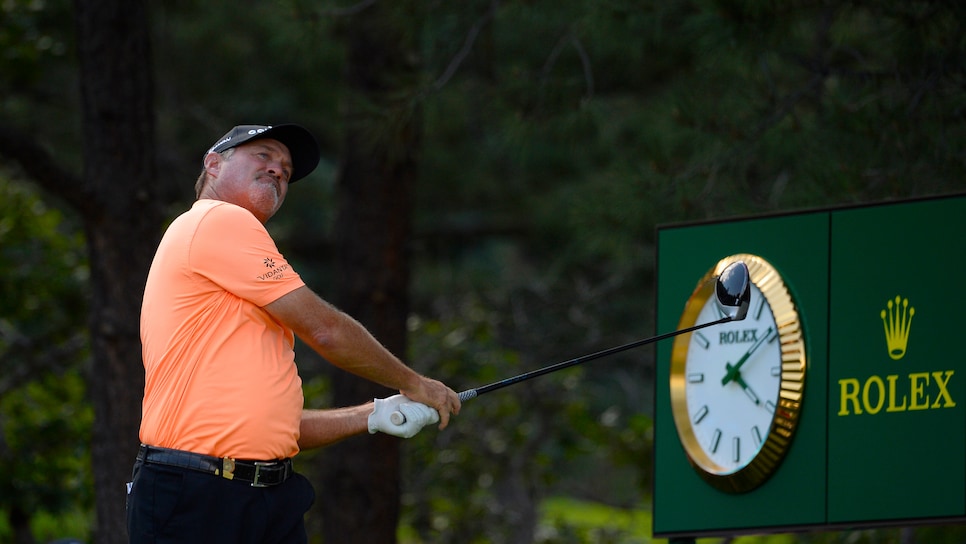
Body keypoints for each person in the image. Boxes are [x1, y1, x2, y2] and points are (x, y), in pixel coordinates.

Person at [127, 124, 461, 543]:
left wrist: (375, 414)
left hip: (260, 494)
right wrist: (415, 383)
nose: (278, 171)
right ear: (213, 164)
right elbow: (325, 330)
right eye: (263, 156)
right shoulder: (217, 219)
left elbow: (275, 427)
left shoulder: (240, 282)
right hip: (199, 493)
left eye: (285, 169)